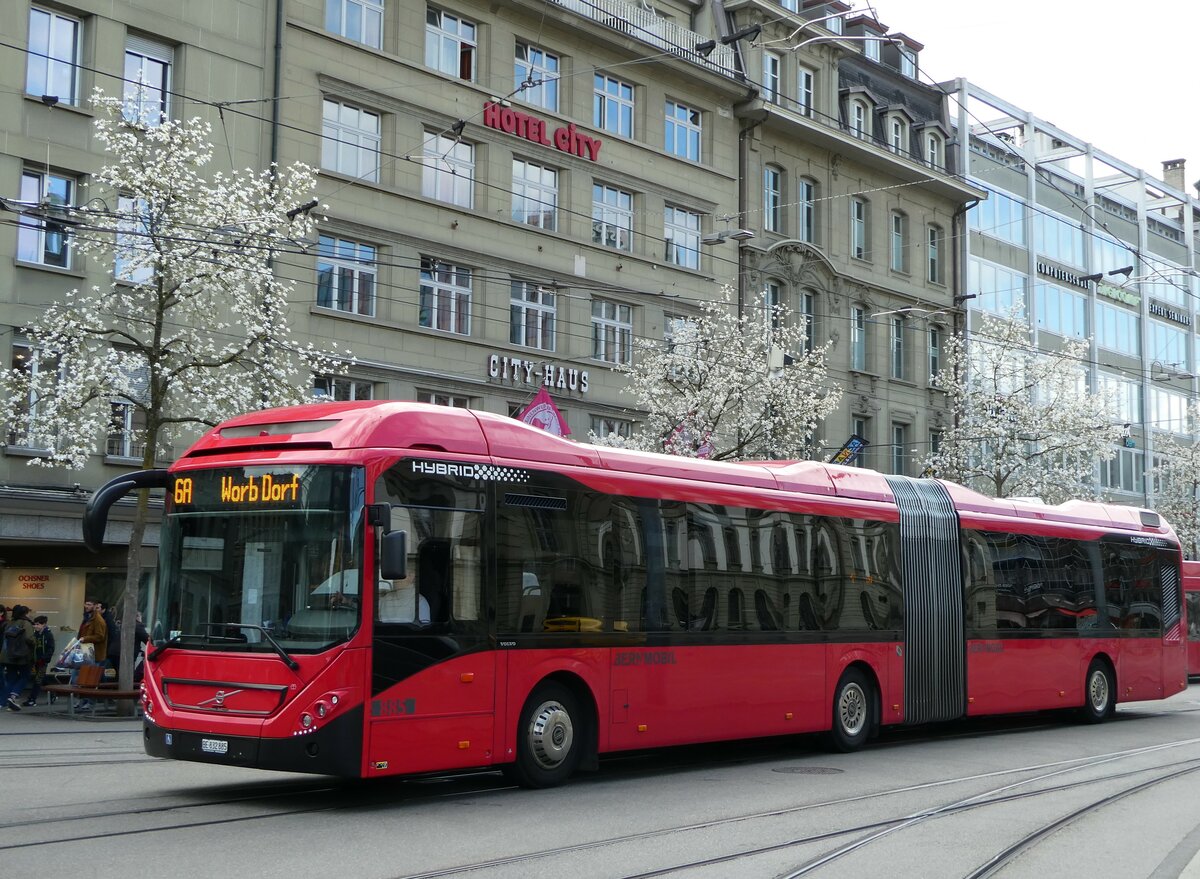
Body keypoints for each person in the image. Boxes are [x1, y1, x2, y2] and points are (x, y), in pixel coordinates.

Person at [0, 605, 36, 711]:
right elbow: (30, 639)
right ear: (24, 613)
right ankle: (13, 696)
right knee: (25, 675)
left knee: (11, 678)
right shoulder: (26, 623)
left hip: (7, 655)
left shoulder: (8, 623)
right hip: (21, 656)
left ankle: (4, 702)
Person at [75, 599, 108, 711]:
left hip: (94, 653)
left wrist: (85, 638)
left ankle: (89, 702)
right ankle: (83, 700)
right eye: (86, 604)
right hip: (86, 652)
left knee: (91, 679)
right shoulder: (87, 618)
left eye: (89, 604)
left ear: (94, 606)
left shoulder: (97, 619)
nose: (86, 606)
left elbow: (100, 636)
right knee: (82, 677)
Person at [24, 615, 56, 707]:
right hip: (36, 660)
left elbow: (51, 648)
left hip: (42, 661)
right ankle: (53, 693)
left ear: (44, 625)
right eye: (35, 624)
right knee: (42, 679)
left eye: (38, 624)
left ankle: (32, 699)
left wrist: (44, 658)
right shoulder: (36, 634)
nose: (36, 626)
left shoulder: (48, 635)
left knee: (38, 680)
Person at [99, 600, 121, 675]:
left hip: (110, 649)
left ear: (103, 609)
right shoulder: (105, 618)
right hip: (110, 649)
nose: (96, 609)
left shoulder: (107, 619)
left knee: (102, 667)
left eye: (98, 608)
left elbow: (111, 634)